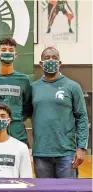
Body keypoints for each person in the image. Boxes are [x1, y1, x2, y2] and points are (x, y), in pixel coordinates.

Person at [31, 47, 89, 178]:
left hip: (66, 153)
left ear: (60, 63)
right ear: (41, 64)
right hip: (41, 153)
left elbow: (82, 117)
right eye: (47, 58)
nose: (51, 60)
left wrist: (81, 148)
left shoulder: (72, 86)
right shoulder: (33, 87)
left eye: (54, 58)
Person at [0, 36, 32, 147]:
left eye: (11, 50)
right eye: (3, 50)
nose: (7, 53)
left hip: (18, 136)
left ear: (16, 55)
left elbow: (27, 108)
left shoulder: (24, 80)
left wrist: (15, 120)